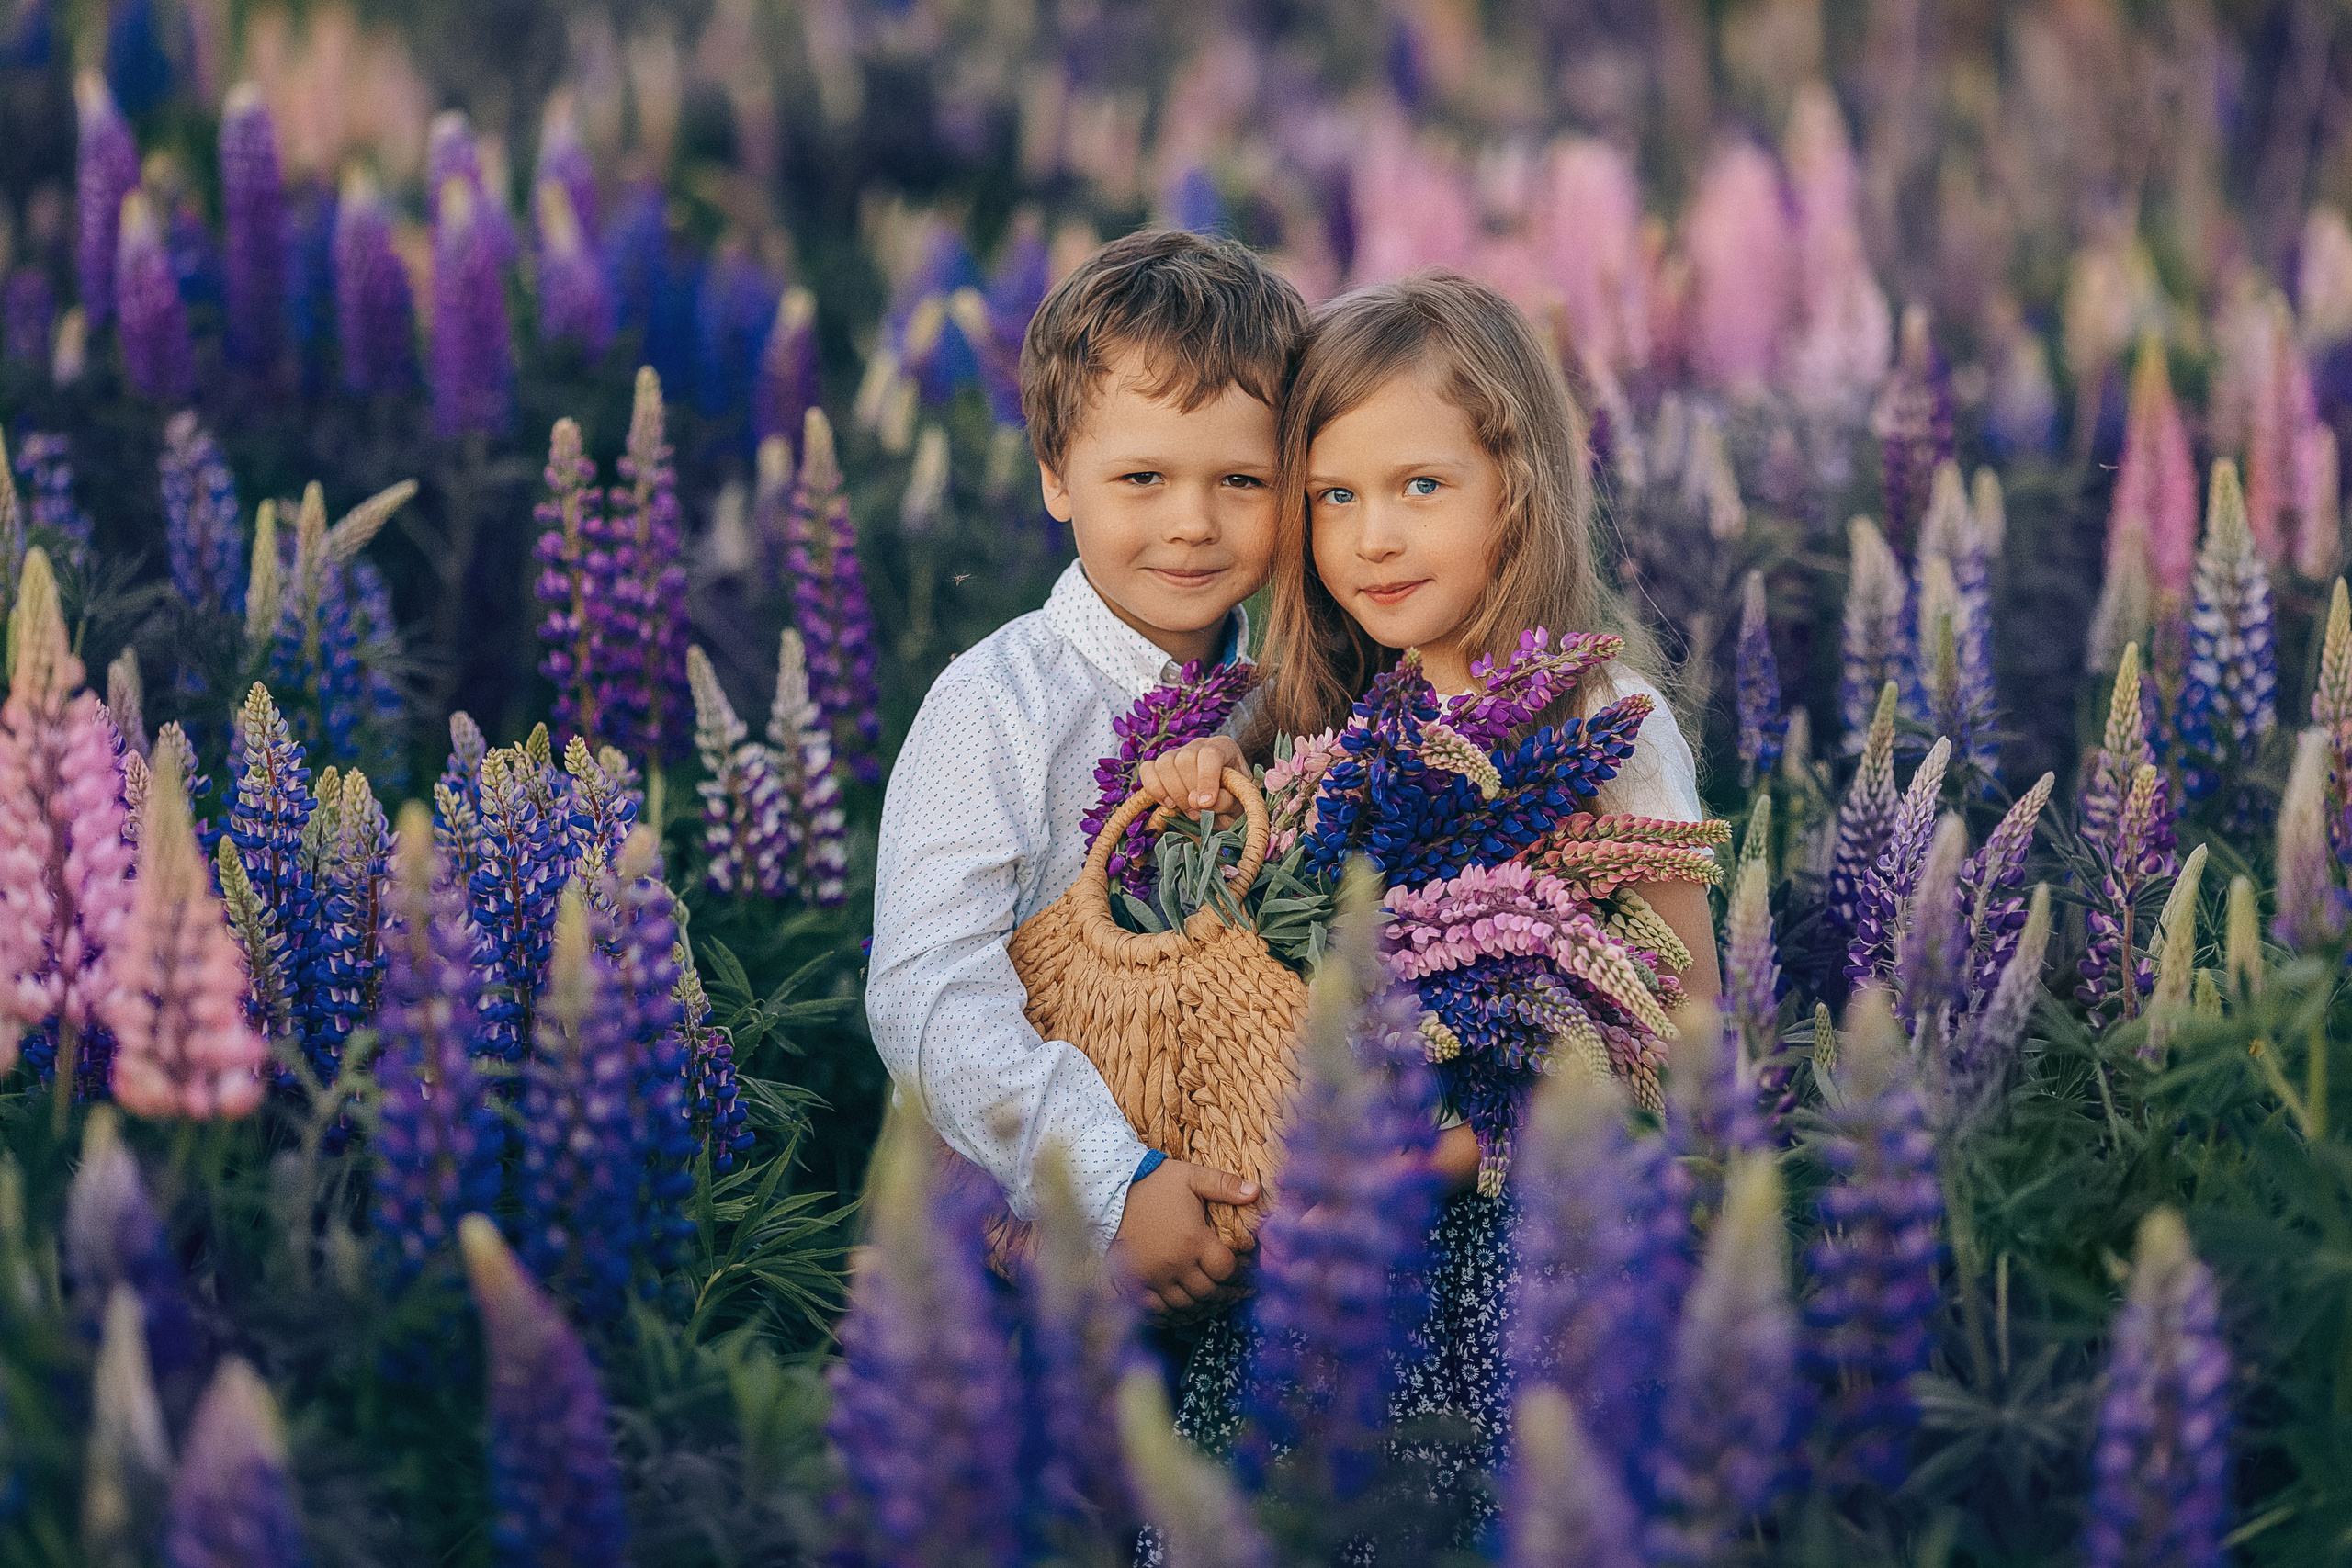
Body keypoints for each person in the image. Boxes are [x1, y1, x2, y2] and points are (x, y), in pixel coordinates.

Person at [1130, 268, 1721, 1515]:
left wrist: (1436, 1157)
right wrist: (1211, 754)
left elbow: (1679, 1034)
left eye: (1420, 488)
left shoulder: (1608, 721)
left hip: (1522, 1269)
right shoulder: (1329, 720)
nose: (1372, 537)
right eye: (1332, 496)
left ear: (1519, 483)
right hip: (1319, 1260)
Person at [866, 229, 1310, 1318]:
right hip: (1016, 1262)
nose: (1192, 522)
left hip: (1266, 1247)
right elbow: (926, 991)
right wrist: (1113, 1184)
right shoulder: (995, 704)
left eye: (1242, 479)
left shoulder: (1296, 700)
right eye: (1142, 477)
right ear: (1057, 475)